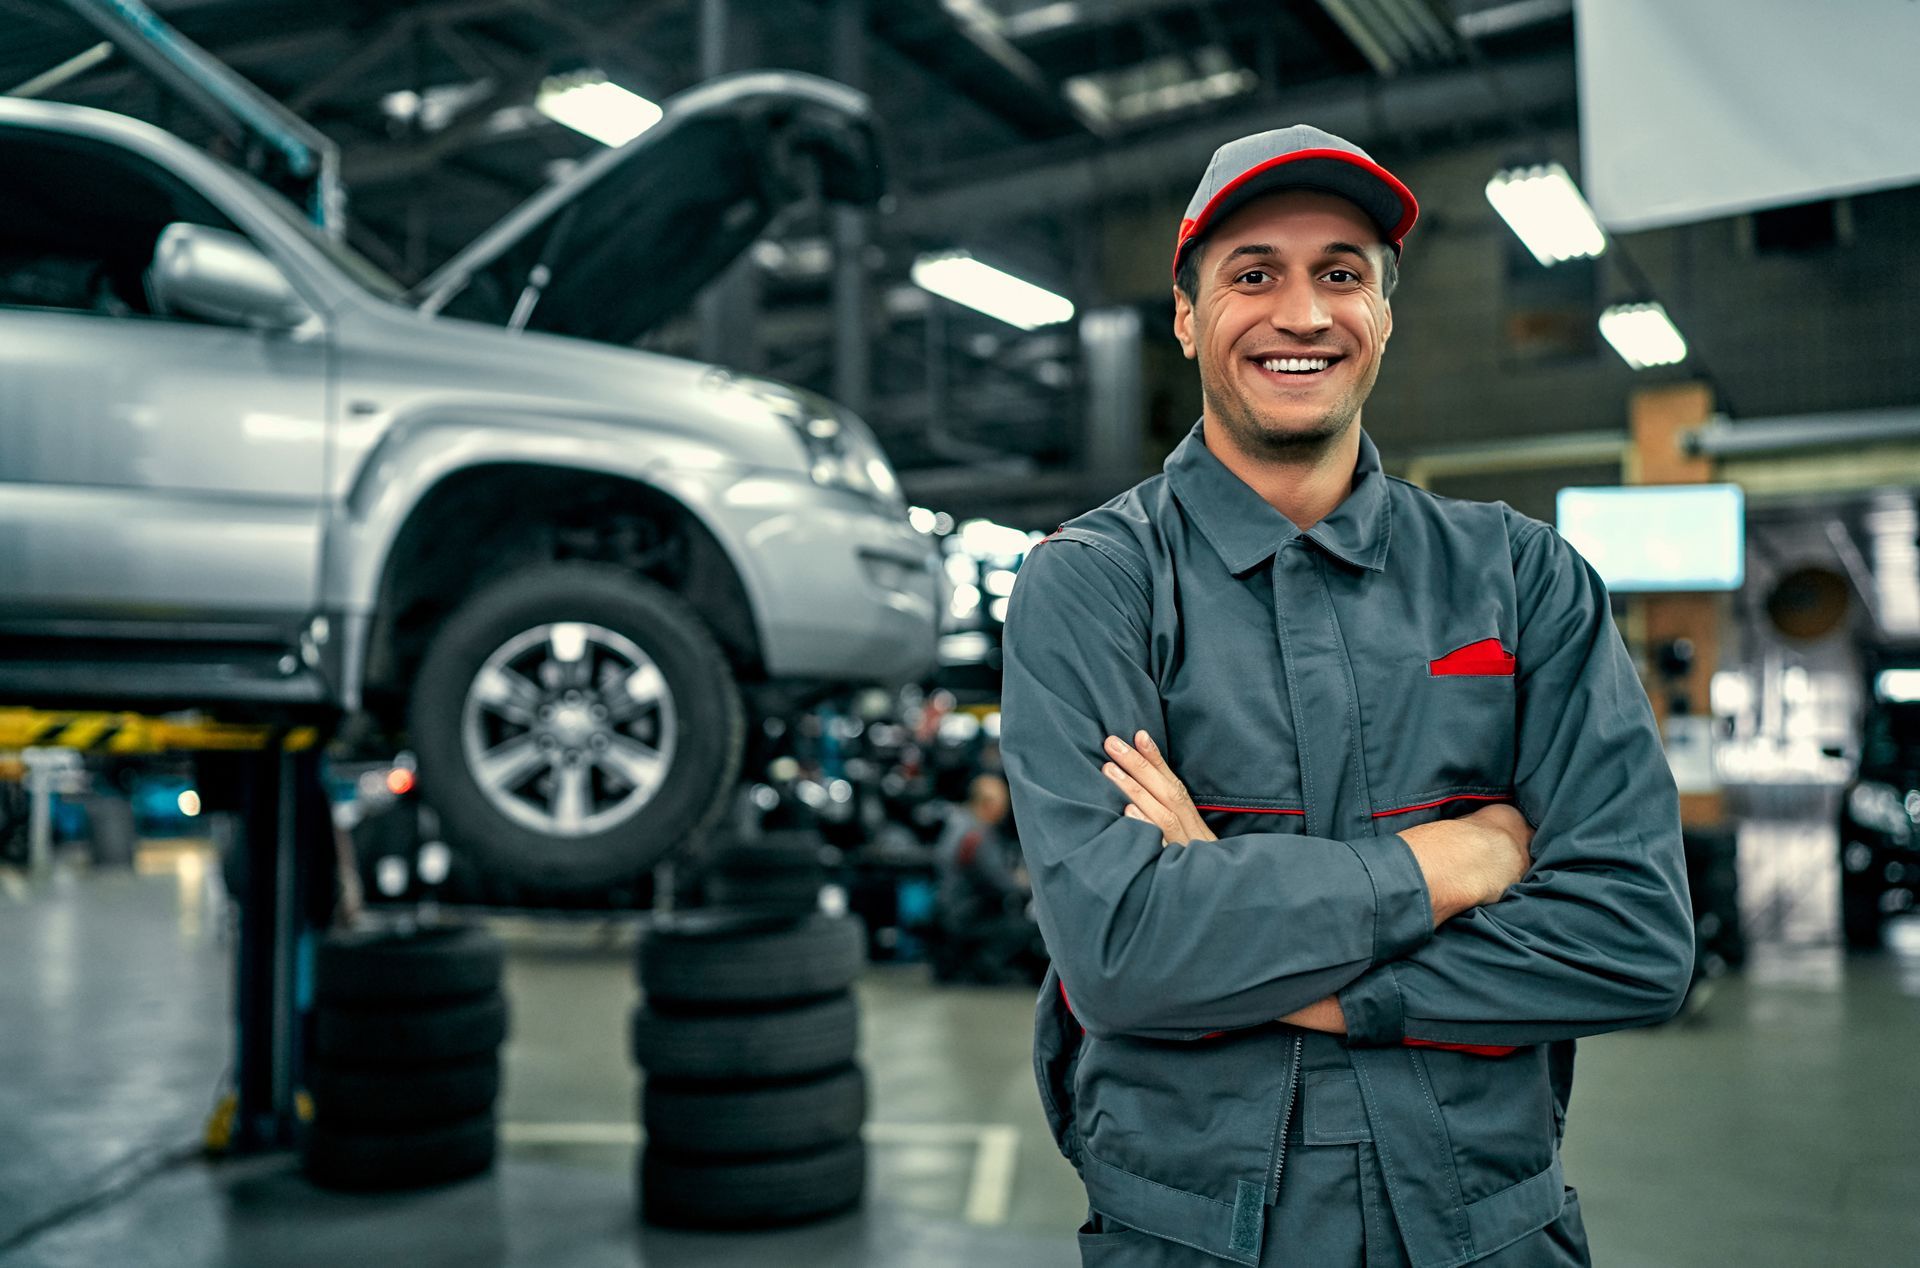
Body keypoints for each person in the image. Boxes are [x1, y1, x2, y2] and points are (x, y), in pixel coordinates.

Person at [1000, 125, 1694, 1266]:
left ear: (1383, 312)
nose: (1305, 314)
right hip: (1194, 1236)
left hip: (1488, 1228)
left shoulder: (1522, 579)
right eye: (1253, 274)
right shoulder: (1094, 583)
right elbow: (1118, 948)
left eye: (1342, 273)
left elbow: (1632, 936)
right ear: (1185, 316)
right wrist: (1455, 863)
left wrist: (1278, 962)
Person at [930, 773, 1043, 983]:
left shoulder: (958, 824)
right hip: (969, 915)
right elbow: (1000, 883)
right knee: (1034, 926)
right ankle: (987, 966)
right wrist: (1034, 887)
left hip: (949, 909)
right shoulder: (977, 836)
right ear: (989, 803)